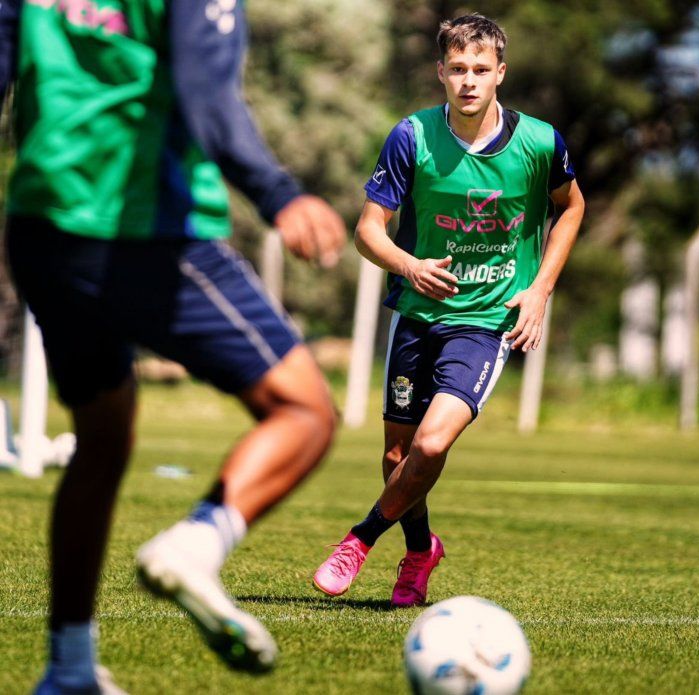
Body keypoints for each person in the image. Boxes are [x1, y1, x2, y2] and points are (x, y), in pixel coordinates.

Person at [0, 0, 346, 691]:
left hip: (41, 233)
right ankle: (195, 544)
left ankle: (68, 667)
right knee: (304, 411)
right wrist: (279, 193)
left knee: (101, 435)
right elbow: (205, 90)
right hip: (143, 232)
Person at [313, 14, 584, 607]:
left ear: (500, 74)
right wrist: (409, 265)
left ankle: (359, 540)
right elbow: (367, 231)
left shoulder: (539, 142)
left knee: (431, 446)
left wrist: (539, 290)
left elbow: (571, 207)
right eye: (457, 69)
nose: (468, 81)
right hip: (416, 313)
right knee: (395, 456)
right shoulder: (411, 136)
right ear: (440, 72)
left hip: (486, 322)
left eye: (480, 70)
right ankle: (419, 551)